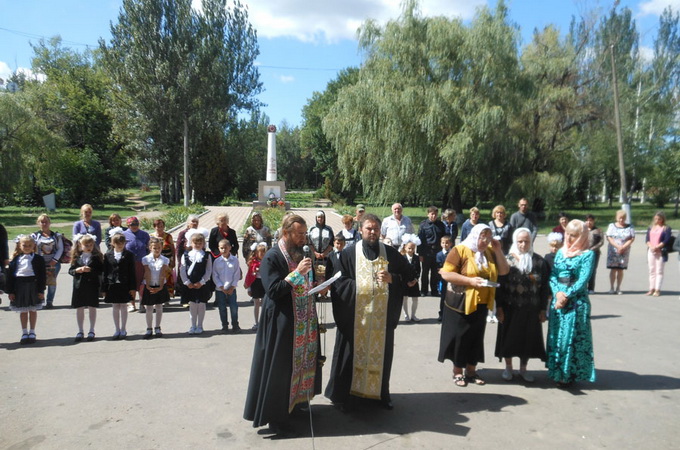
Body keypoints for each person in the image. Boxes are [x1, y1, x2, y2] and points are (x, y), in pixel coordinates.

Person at [325, 214, 416, 410]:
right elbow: (338, 284)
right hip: (354, 319)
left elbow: (410, 277)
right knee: (350, 358)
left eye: (376, 228)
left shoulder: (390, 254)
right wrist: (362, 285)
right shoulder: (349, 254)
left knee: (381, 357)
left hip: (381, 321)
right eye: (368, 228)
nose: (372, 232)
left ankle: (381, 395)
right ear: (361, 230)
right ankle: (346, 398)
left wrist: (393, 279)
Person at [244, 214, 320, 438]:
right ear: (286, 233)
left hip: (302, 321)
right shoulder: (272, 256)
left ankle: (295, 405)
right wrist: (298, 274)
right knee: (280, 370)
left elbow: (302, 283)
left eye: (304, 234)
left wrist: (315, 283)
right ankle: (277, 417)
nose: (302, 239)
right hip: (281, 323)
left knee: (299, 366)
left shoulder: (300, 253)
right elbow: (274, 290)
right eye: (298, 234)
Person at [438, 224, 509, 387]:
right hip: (461, 302)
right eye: (482, 237)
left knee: (476, 337)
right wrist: (469, 281)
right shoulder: (460, 250)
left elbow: (504, 271)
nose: (485, 241)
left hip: (482, 303)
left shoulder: (490, 253)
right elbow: (446, 273)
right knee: (461, 337)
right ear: (475, 235)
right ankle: (457, 372)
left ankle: (471, 371)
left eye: (488, 237)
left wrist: (498, 250)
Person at [495, 228, 550, 383]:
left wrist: (542, 309)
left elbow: (545, 287)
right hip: (509, 308)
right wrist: (498, 308)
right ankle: (508, 367)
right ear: (515, 241)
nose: (523, 244)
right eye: (520, 241)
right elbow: (499, 286)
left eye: (526, 241)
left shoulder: (539, 261)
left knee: (527, 339)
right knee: (509, 338)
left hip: (531, 309)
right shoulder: (506, 260)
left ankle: (523, 369)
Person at [546, 219, 596, 388]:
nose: (568, 238)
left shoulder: (587, 254)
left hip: (575, 303)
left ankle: (567, 375)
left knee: (570, 338)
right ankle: (556, 372)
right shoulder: (561, 252)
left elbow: (582, 280)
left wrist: (565, 296)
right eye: (567, 234)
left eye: (574, 236)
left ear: (581, 237)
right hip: (558, 300)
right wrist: (557, 293)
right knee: (557, 337)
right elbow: (553, 275)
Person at [6, 235, 46, 344]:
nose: (27, 247)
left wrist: (41, 290)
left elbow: (42, 276)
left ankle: (32, 331)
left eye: (30, 245)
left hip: (33, 285)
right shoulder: (15, 259)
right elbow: (10, 277)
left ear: (34, 246)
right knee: (23, 310)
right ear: (20, 245)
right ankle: (24, 332)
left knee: (32, 309)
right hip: (19, 286)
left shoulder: (38, 259)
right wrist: (11, 291)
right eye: (24, 245)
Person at [69, 234, 104, 342]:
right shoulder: (76, 257)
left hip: (92, 285)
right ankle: (80, 330)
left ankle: (91, 330)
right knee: (79, 308)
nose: (88, 247)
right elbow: (71, 270)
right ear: (80, 245)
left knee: (92, 307)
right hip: (79, 286)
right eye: (86, 245)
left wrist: (91, 270)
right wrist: (77, 270)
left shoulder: (96, 257)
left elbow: (100, 270)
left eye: (90, 245)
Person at [102, 232, 137, 340]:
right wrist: (104, 288)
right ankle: (117, 329)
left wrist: (133, 288)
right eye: (117, 243)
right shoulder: (107, 255)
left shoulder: (129, 255)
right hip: (112, 284)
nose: (120, 245)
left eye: (122, 242)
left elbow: (132, 272)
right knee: (115, 306)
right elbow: (105, 272)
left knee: (123, 306)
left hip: (124, 284)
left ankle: (123, 328)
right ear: (113, 243)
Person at [179, 229, 213, 334]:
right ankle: (192, 325)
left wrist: (202, 282)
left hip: (201, 284)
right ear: (191, 243)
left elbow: (209, 271)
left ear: (203, 243)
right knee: (192, 304)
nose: (197, 245)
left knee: (201, 305)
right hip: (190, 284)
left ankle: (200, 326)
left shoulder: (207, 256)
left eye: (200, 243)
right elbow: (182, 270)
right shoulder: (186, 255)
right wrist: (187, 282)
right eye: (195, 243)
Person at [31, 214, 64, 309]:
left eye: (46, 221)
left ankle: (50, 301)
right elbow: (31, 248)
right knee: (39, 282)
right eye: (42, 222)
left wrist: (54, 260)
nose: (44, 223)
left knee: (52, 283)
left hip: (54, 264)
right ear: (38, 223)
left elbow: (60, 249)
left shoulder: (56, 236)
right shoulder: (34, 236)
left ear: (49, 223)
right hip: (39, 264)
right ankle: (40, 300)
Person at [141, 238, 170, 339]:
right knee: (149, 307)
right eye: (154, 248)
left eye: (159, 248)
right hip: (149, 284)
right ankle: (149, 328)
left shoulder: (165, 260)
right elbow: (147, 272)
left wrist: (160, 287)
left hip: (160, 284)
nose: (157, 250)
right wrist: (148, 286)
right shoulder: (145, 259)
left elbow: (162, 273)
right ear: (150, 248)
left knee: (159, 306)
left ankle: (157, 327)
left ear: (161, 248)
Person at [212, 239, 241, 334]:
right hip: (220, 289)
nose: (224, 250)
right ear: (219, 249)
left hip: (231, 288)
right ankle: (224, 325)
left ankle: (235, 325)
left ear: (230, 248)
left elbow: (237, 274)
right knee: (222, 307)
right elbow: (214, 275)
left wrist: (232, 286)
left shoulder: (235, 260)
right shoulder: (217, 261)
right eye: (221, 248)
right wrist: (221, 286)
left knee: (233, 307)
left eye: (226, 247)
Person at [417, 206, 445, 296]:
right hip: (426, 252)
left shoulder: (441, 225)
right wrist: (420, 254)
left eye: (435, 214)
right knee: (425, 272)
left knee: (435, 272)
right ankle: (424, 290)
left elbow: (444, 238)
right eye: (432, 214)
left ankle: (434, 290)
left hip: (437, 252)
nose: (434, 216)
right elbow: (419, 240)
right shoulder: (423, 225)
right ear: (428, 214)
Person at [124, 216, 150, 312]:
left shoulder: (144, 234)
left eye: (136, 224)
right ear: (128, 225)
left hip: (141, 262)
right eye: (132, 224)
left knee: (142, 283)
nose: (134, 226)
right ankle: (131, 303)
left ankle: (142, 303)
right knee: (131, 283)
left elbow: (149, 248)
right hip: (129, 263)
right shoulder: (124, 234)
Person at [605, 210, 635, 294]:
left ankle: (618, 288)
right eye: (620, 218)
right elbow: (609, 237)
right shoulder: (612, 226)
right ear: (616, 217)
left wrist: (623, 247)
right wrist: (617, 246)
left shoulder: (630, 227)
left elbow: (632, 238)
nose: (621, 220)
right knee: (613, 269)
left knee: (620, 269)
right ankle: (611, 288)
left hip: (624, 251)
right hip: (613, 250)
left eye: (623, 218)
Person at [645, 211, 673, 297]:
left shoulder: (666, 228)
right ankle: (651, 288)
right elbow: (647, 239)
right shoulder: (650, 227)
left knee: (659, 271)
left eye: (659, 219)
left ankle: (657, 289)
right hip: (651, 250)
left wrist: (657, 247)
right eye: (656, 218)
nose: (657, 220)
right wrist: (651, 246)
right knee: (651, 270)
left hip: (661, 251)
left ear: (662, 219)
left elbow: (666, 240)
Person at [176, 214, 200, 306]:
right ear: (188, 223)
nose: (194, 223)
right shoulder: (183, 233)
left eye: (196, 222)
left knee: (194, 279)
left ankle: (194, 299)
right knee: (185, 280)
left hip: (196, 259)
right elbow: (178, 248)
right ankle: (184, 300)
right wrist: (179, 261)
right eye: (192, 221)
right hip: (185, 258)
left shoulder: (199, 233)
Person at [150, 218, 175, 298]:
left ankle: (167, 297)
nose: (160, 228)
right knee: (157, 278)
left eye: (161, 226)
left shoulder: (168, 236)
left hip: (167, 260)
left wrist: (174, 260)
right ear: (154, 227)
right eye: (158, 226)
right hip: (155, 261)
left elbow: (173, 249)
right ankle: (158, 296)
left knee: (167, 279)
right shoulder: (151, 236)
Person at [244, 243, 267, 330]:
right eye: (261, 253)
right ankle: (256, 322)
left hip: (264, 283)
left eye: (264, 253)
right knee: (256, 303)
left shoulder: (267, 261)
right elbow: (249, 276)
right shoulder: (252, 263)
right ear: (256, 253)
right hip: (256, 283)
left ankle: (264, 321)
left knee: (264, 303)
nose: (263, 255)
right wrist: (249, 288)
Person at [401, 234, 422, 322]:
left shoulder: (417, 258)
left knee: (415, 299)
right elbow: (401, 271)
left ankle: (413, 315)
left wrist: (415, 280)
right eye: (409, 248)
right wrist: (406, 281)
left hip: (414, 282)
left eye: (413, 248)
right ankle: (406, 315)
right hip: (405, 282)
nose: (411, 250)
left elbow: (418, 270)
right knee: (404, 299)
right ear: (405, 247)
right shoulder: (402, 258)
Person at [585, 214, 603, 294]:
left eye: (591, 220)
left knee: (592, 270)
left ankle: (591, 288)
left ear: (593, 221)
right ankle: (583, 288)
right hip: (583, 253)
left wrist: (591, 249)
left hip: (595, 253)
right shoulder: (582, 230)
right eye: (587, 220)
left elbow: (601, 242)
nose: (589, 222)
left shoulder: (598, 230)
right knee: (584, 270)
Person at [436, 235, 453, 322]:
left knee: (451, 297)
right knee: (443, 297)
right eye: (443, 243)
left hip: (451, 279)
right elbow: (438, 267)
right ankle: (441, 314)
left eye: (447, 243)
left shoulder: (453, 253)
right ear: (440, 244)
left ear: (451, 244)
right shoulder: (439, 255)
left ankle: (450, 315)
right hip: (443, 279)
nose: (445, 244)